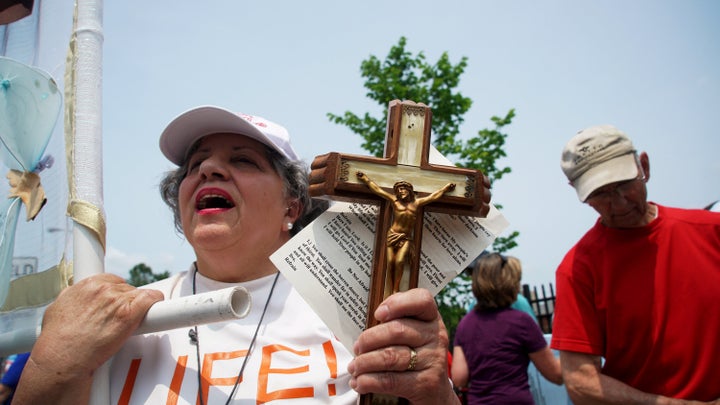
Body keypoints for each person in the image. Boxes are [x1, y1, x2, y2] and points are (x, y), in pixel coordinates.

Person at [13, 106, 461, 404]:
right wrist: (53, 366)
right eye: (194, 166)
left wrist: (435, 396)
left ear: (292, 206)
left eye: (244, 160)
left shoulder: (365, 313)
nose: (208, 168)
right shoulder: (114, 320)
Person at [552, 124, 720, 403]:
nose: (618, 204)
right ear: (575, 190)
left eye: (623, 185)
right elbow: (581, 383)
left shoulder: (711, 231)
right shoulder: (577, 269)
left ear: (644, 166)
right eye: (600, 194)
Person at [451, 253, 562, 404]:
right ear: (510, 283)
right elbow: (555, 374)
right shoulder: (522, 321)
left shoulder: (465, 325)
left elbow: (459, 378)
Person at [356, 171, 455, 294]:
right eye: (398, 190)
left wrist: (445, 189)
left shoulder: (416, 203)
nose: (400, 192)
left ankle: (396, 288)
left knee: (400, 261)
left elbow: (433, 197)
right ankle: (392, 287)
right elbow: (378, 190)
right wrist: (365, 179)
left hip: (406, 237)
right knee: (390, 262)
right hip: (392, 235)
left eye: (402, 189)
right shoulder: (394, 201)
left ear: (409, 190)